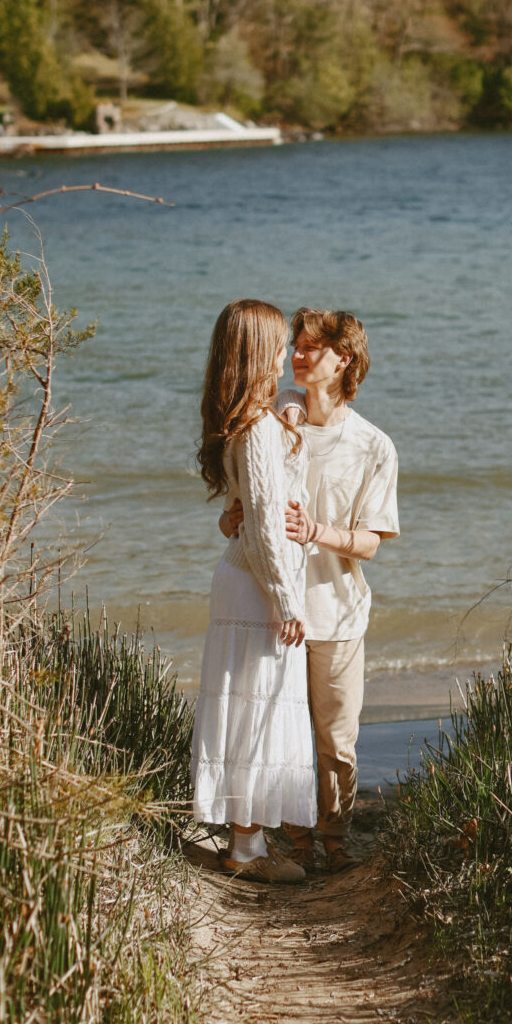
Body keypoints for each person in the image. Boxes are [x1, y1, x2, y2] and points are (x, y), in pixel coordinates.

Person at [221, 308, 398, 873]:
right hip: (277, 610)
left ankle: (337, 841)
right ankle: (295, 841)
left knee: (336, 741)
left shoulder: (373, 446)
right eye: (294, 346)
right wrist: (234, 520)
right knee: (284, 730)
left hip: (339, 611)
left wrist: (318, 532)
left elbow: (372, 542)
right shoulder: (274, 424)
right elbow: (247, 507)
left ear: (343, 360)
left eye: (311, 348)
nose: (296, 355)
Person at [192, 298, 317, 883]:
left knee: (249, 708)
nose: (286, 353)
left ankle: (249, 844)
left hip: (242, 581)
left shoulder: (247, 425)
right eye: (277, 343)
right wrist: (288, 601)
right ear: (255, 351)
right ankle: (248, 852)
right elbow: (264, 527)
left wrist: (288, 413)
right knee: (260, 709)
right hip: (259, 585)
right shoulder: (260, 432)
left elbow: (245, 512)